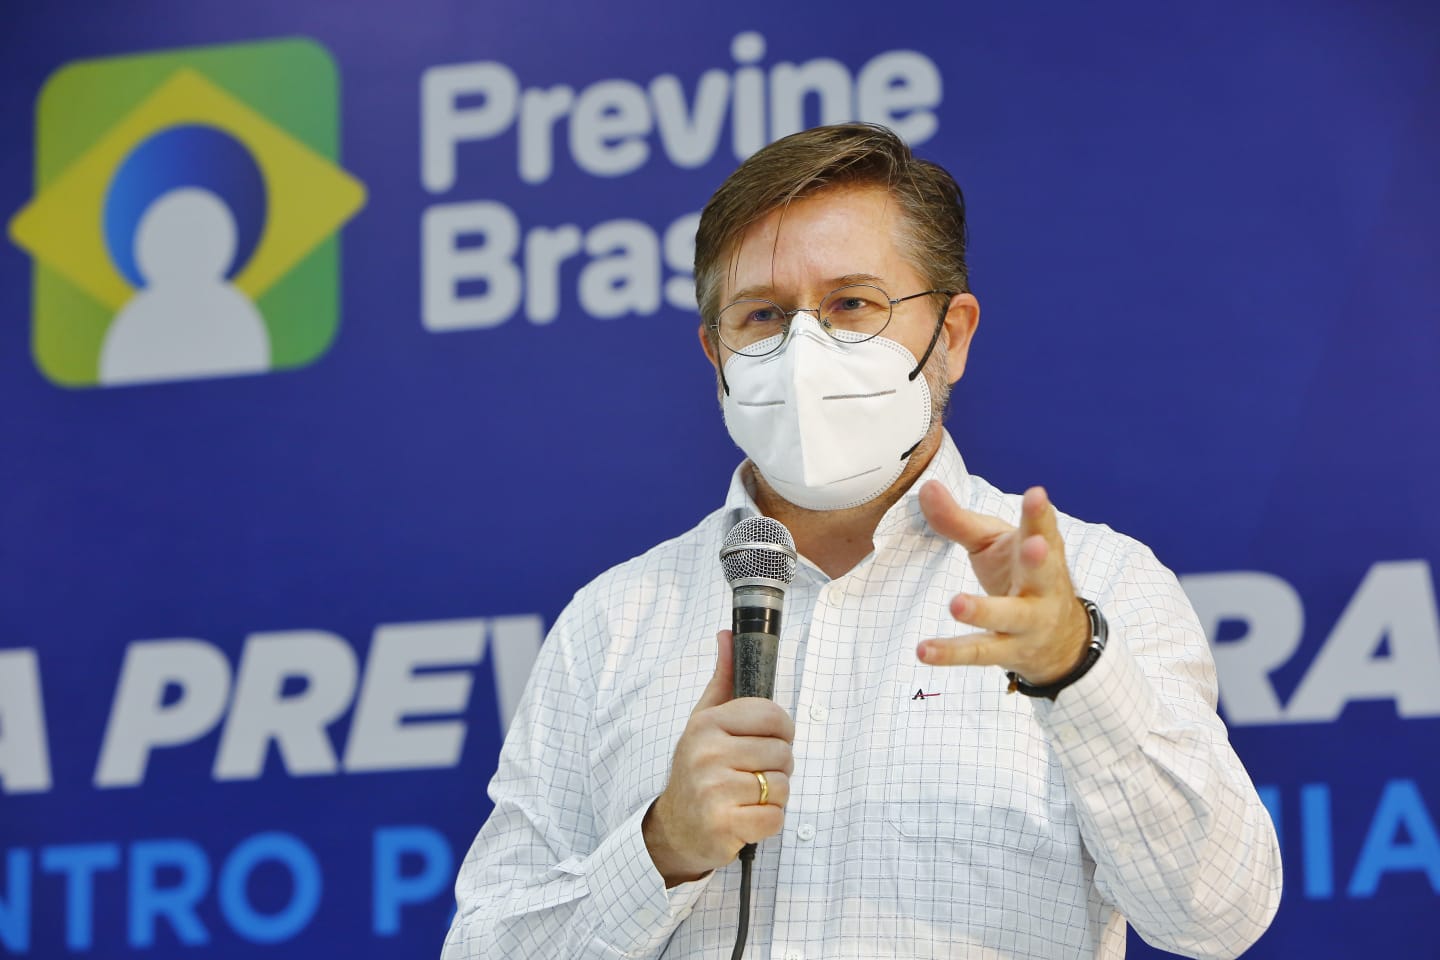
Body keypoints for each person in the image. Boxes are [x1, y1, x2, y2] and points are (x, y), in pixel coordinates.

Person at [442, 123, 1282, 959]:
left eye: (852, 304)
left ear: (951, 334)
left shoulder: (1100, 583)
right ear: (715, 355)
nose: (804, 351)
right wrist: (662, 846)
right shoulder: (612, 623)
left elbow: (1219, 914)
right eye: (763, 315)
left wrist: (1074, 669)